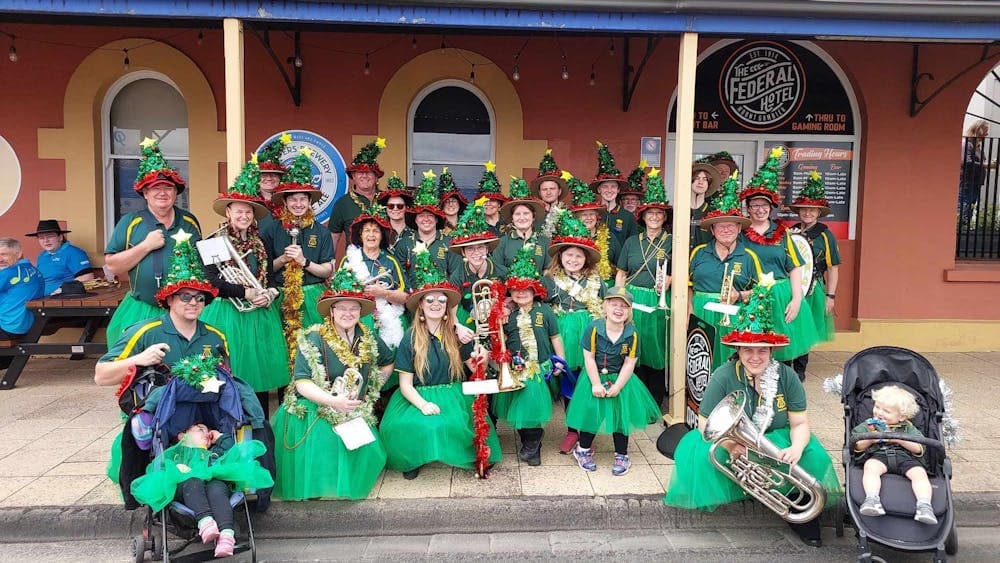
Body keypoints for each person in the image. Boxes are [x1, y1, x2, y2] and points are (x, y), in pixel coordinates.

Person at [95, 234, 267, 509]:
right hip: (161, 418)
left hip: (204, 420)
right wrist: (139, 359)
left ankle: (249, 496)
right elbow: (101, 375)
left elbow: (226, 383)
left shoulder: (215, 336)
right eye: (185, 296)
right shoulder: (144, 331)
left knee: (254, 421)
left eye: (200, 297)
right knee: (137, 431)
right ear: (170, 299)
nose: (193, 302)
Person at [664, 280, 840, 547]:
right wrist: (731, 444)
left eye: (762, 350)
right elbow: (704, 423)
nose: (755, 356)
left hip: (775, 436)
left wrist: (796, 447)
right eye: (748, 349)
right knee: (707, 458)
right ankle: (756, 491)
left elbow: (800, 421)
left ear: (771, 351)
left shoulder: (787, 376)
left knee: (810, 458)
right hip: (734, 439)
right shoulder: (723, 376)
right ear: (738, 350)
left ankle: (801, 515)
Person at [379, 246, 502, 479]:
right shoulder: (410, 337)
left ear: (447, 308)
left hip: (453, 392)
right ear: (421, 307)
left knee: (454, 425)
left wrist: (481, 357)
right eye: (430, 300)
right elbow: (405, 384)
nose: (436, 303)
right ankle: (413, 458)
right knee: (407, 426)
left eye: (442, 300)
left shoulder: (458, 334)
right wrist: (423, 404)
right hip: (419, 394)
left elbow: (474, 369)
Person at [273, 268, 394, 500]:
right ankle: (319, 487)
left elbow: (388, 362)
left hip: (349, 405)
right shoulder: (313, 337)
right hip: (313, 406)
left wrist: (371, 387)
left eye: (353, 308)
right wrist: (332, 401)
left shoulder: (368, 337)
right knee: (326, 439)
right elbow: (302, 383)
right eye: (342, 308)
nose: (348, 313)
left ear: (361, 311)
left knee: (369, 452)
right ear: (331, 311)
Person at [200, 159, 288, 414]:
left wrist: (271, 293)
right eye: (238, 211)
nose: (244, 216)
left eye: (248, 212)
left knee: (260, 374)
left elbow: (269, 276)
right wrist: (246, 292)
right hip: (230, 313)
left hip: (260, 313)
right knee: (233, 370)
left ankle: (259, 421)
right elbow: (212, 282)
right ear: (228, 213)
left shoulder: (260, 243)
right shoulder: (214, 242)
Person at [104, 138, 202, 344]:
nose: (162, 193)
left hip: (186, 309)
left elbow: (202, 263)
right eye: (155, 188)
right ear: (145, 193)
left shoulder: (189, 221)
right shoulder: (130, 222)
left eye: (168, 187)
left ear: (176, 192)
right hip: (143, 309)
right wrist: (145, 246)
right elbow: (112, 265)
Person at [131, 420, 272, 558]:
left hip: (214, 482)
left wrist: (219, 437)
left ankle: (227, 535)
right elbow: (162, 466)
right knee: (193, 481)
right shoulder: (178, 453)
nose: (206, 433)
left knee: (217, 487)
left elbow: (233, 450)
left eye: (207, 431)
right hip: (187, 487)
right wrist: (176, 468)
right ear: (182, 436)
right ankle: (206, 522)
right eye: (200, 429)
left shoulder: (214, 452)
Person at [566, 287, 660, 476]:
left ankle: (622, 454)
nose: (619, 309)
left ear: (629, 311)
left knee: (620, 416)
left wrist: (618, 386)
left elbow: (630, 362)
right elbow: (589, 358)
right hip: (595, 377)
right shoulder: (594, 328)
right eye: (614, 304)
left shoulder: (632, 333)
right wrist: (595, 383)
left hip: (620, 379)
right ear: (605, 306)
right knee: (592, 413)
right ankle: (582, 449)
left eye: (624, 306)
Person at [738, 147, 818, 365]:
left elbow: (794, 267)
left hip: (780, 296)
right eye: (754, 205)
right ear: (748, 208)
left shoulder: (783, 233)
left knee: (781, 350)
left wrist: (796, 299)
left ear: (771, 207)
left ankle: (780, 390)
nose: (759, 209)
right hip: (751, 296)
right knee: (752, 347)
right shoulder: (740, 233)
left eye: (764, 205)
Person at [542, 210, 607, 455]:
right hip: (561, 332)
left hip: (587, 331)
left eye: (578, 256)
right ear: (561, 257)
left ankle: (585, 429)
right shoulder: (549, 279)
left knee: (585, 380)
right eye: (569, 255)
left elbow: (605, 307)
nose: (573, 259)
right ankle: (571, 429)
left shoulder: (597, 280)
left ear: (585, 259)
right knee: (567, 380)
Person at [262, 149, 335, 360]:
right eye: (293, 199)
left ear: (310, 201)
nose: (298, 204)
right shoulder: (271, 229)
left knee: (314, 350)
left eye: (303, 199)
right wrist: (283, 260)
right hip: (279, 296)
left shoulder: (321, 232)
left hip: (311, 296)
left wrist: (305, 262)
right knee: (279, 352)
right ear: (284, 202)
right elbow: (262, 269)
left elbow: (327, 269)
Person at [494, 243, 564, 466]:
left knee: (532, 403)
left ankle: (533, 443)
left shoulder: (545, 311)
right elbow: (500, 341)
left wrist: (561, 361)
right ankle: (529, 441)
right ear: (511, 293)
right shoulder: (507, 314)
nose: (521, 293)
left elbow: (555, 337)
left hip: (539, 367)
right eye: (516, 290)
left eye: (526, 289)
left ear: (535, 291)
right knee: (521, 405)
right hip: (516, 366)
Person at [688, 172, 762, 373]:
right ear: (712, 230)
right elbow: (688, 287)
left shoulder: (748, 257)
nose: (726, 229)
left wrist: (740, 295)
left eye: (731, 225)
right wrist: (689, 313)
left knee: (731, 364)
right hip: (702, 314)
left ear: (739, 228)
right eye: (720, 226)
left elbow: (762, 292)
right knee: (701, 364)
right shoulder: (698, 253)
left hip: (735, 315)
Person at [615, 168, 672, 406]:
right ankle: (634, 399)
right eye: (651, 213)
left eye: (659, 213)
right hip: (633, 299)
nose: (655, 217)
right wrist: (619, 298)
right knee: (632, 348)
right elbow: (621, 272)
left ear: (664, 217)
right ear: (643, 216)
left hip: (657, 300)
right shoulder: (631, 242)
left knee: (655, 350)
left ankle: (655, 399)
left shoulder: (671, 241)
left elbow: (679, 274)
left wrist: (667, 282)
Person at [855, 385, 937, 525]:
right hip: (879, 456)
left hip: (905, 458)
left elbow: (918, 448)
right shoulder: (868, 425)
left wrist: (898, 438)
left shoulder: (908, 428)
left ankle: (924, 505)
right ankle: (872, 499)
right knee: (870, 467)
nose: (879, 412)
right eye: (877, 407)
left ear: (902, 416)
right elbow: (856, 445)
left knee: (919, 473)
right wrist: (870, 438)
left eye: (886, 411)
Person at [789, 171, 842, 378]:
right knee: (792, 324)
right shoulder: (791, 232)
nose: (807, 213)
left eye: (812, 210)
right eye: (804, 209)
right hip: (793, 286)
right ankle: (787, 363)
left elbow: (833, 267)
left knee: (806, 328)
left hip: (813, 288)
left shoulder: (825, 235)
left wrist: (831, 296)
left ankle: (800, 369)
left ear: (818, 212)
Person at [340, 209, 408, 351]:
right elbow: (338, 295)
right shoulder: (348, 260)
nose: (371, 235)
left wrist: (383, 293)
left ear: (382, 236)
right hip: (357, 321)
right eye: (367, 231)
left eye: (376, 231)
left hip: (389, 322)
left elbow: (406, 297)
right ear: (361, 234)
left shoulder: (391, 261)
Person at [393, 170, 461, 287]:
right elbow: (398, 276)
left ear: (436, 219)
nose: (426, 219)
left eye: (430, 215)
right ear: (415, 219)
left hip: (441, 301)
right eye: (421, 215)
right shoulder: (404, 244)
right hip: (411, 301)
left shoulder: (450, 243)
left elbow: (456, 275)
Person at [447, 198, 507, 332]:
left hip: (497, 321)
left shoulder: (501, 271)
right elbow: (452, 309)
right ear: (463, 252)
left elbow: (514, 297)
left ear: (487, 249)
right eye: (470, 249)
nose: (476, 253)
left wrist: (505, 307)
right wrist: (458, 328)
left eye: (480, 247)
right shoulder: (457, 276)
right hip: (468, 319)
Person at [328, 137, 386, 254]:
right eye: (360, 172)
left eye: (369, 172)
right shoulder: (342, 204)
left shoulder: (387, 200)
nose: (364, 176)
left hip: (385, 263)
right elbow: (334, 239)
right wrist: (330, 267)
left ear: (376, 177)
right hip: (354, 265)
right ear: (353, 177)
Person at [566, 173, 619, 285]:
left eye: (591, 214)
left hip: (604, 285)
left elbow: (621, 265)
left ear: (597, 217)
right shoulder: (569, 238)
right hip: (576, 285)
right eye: (584, 215)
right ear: (577, 218)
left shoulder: (610, 237)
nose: (588, 218)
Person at [0, 238, 45, 368]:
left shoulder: (10, 273)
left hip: (9, 326)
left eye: (4, 254)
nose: (0, 259)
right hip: (27, 324)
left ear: (19, 253)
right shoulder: (34, 271)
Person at [495, 176, 550, 272]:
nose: (522, 217)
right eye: (517, 214)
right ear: (512, 218)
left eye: (526, 213)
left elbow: (548, 270)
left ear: (533, 217)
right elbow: (497, 269)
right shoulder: (502, 242)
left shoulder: (544, 242)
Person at [25, 220, 94, 295]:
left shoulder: (74, 253)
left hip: (63, 300)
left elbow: (88, 277)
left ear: (60, 237)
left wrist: (62, 289)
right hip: (40, 299)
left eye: (50, 236)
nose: (46, 241)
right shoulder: (42, 256)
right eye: (41, 238)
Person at [589, 141, 637, 247]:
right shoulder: (592, 214)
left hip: (620, 262)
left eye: (613, 187)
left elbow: (633, 245)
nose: (609, 190)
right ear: (599, 190)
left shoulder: (628, 216)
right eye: (605, 187)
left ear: (618, 190)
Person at [959, 119, 995, 227]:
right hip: (967, 182)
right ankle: (960, 231)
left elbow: (980, 162)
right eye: (985, 130)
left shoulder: (977, 146)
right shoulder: (966, 143)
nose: (987, 133)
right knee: (964, 208)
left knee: (969, 208)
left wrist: (989, 163)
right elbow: (966, 162)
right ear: (978, 129)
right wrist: (985, 165)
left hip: (975, 183)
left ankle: (963, 230)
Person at [529, 150, 569, 228]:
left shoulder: (568, 213)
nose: (548, 192)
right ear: (539, 193)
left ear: (559, 191)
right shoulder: (532, 214)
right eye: (544, 189)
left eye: (552, 188)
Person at [377, 172, 414, 251]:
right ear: (386, 208)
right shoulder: (379, 232)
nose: (395, 209)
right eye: (391, 206)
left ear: (406, 208)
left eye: (400, 206)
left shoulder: (415, 232)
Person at [690, 160, 723, 248]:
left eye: (705, 179)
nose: (700, 182)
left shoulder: (713, 213)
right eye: (697, 178)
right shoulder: (678, 211)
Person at [475, 162, 509, 236]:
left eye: (492, 201)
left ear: (499, 204)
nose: (488, 203)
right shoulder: (474, 226)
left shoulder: (509, 223)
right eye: (485, 201)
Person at [438, 167, 468, 234]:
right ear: (442, 206)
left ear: (459, 204)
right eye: (447, 201)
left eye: (454, 201)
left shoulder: (469, 226)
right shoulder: (437, 228)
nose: (451, 204)